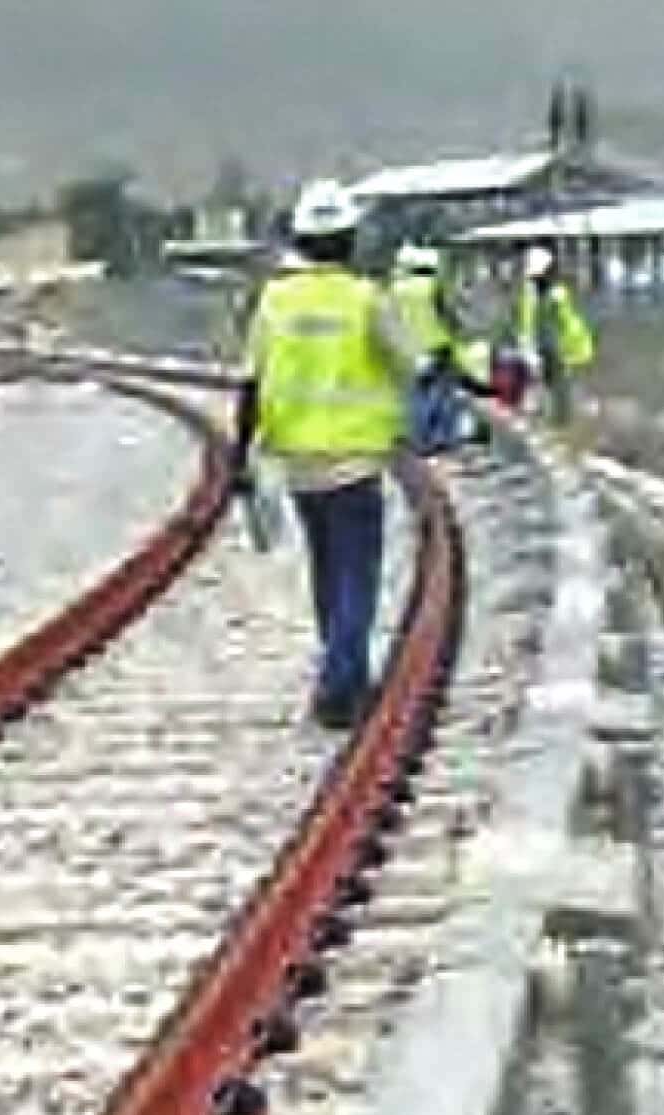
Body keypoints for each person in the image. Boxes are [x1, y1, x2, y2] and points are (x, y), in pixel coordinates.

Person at [232, 178, 412, 731]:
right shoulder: (365, 300)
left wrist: (241, 456)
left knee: (327, 572)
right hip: (355, 460)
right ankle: (340, 689)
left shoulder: (274, 301)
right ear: (350, 239)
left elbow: (251, 385)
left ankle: (342, 670)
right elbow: (410, 363)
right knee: (357, 575)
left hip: (299, 463)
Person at [387, 244, 490, 454]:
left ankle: (418, 440)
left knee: (416, 397)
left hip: (408, 349)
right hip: (437, 345)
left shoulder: (393, 290)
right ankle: (441, 438)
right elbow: (449, 315)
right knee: (442, 394)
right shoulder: (435, 287)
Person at [513, 246, 595, 426]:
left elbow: (567, 326)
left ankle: (563, 422)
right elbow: (528, 322)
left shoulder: (554, 294)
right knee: (553, 386)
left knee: (560, 388)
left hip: (563, 348)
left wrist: (570, 351)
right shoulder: (537, 292)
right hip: (552, 347)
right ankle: (557, 421)